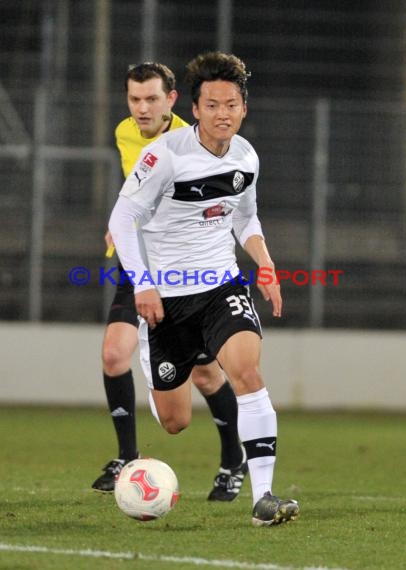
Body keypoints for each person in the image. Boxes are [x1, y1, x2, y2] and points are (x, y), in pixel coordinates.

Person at [108, 51, 300, 526]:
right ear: (194, 109)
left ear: (243, 107)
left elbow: (244, 215)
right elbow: (122, 217)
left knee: (247, 373)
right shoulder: (165, 155)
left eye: (231, 104)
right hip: (167, 299)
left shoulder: (246, 155)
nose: (223, 114)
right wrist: (144, 285)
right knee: (174, 423)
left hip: (220, 285)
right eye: (212, 105)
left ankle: (264, 498)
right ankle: (181, 360)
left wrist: (266, 263)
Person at [92, 62, 247, 501]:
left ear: (173, 101)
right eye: (135, 99)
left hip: (184, 273)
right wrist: (123, 224)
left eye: (152, 99)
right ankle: (127, 456)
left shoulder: (191, 140)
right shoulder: (125, 132)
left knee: (203, 373)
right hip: (139, 266)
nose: (142, 108)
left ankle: (233, 460)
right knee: (113, 354)